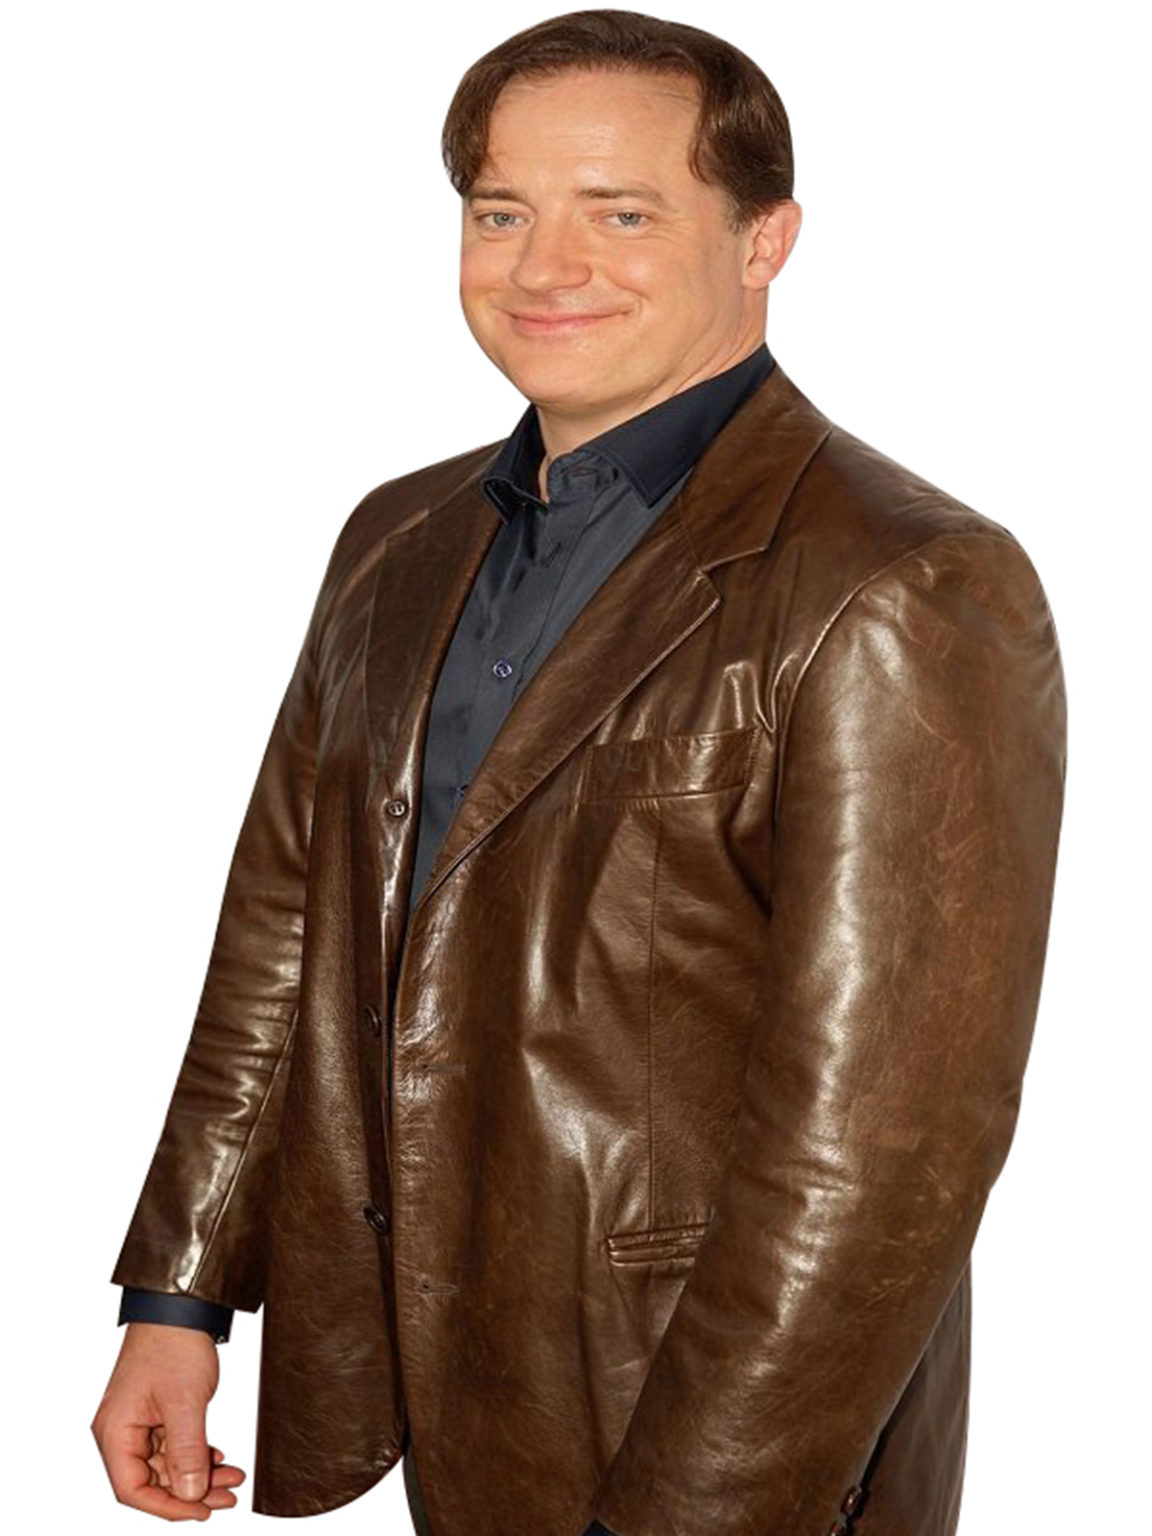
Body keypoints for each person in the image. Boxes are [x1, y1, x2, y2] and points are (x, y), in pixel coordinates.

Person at [91, 11, 1067, 1536]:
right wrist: (181, 1293)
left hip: (716, 1430)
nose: (545, 268)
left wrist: (692, 1511)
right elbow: (285, 932)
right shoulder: (398, 542)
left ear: (766, 239)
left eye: (622, 214)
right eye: (502, 213)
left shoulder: (902, 582)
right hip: (454, 1382)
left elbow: (882, 1162)